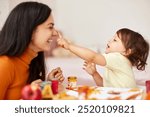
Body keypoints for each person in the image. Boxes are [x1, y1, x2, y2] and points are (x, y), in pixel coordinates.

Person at [0, 2, 64, 100]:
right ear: (30, 30)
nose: (55, 33)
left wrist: (46, 86)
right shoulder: (4, 65)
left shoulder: (32, 63)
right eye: (50, 27)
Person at [57, 28, 149, 88]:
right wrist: (94, 74)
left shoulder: (118, 58)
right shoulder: (117, 62)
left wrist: (69, 46)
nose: (109, 40)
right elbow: (104, 85)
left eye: (115, 40)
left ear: (127, 52)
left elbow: (93, 56)